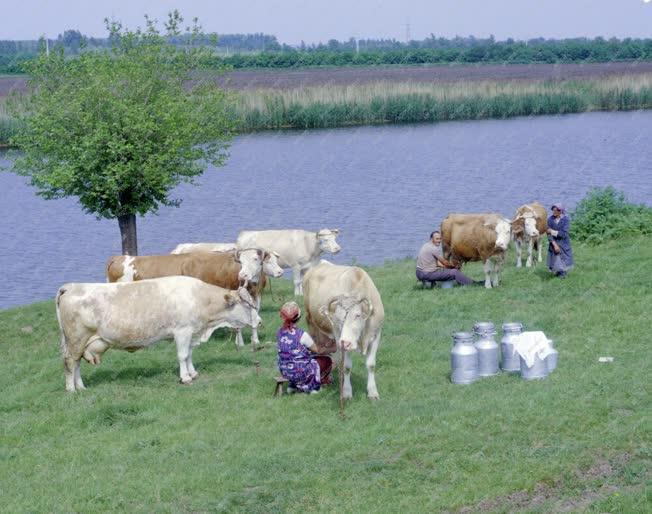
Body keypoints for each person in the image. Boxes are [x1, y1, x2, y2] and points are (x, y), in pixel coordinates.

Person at [277, 301, 335, 394]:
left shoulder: (279, 332)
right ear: (298, 318)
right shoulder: (302, 335)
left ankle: (292, 385)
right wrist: (332, 348)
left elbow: (291, 349)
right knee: (327, 360)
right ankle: (314, 386)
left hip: (284, 370)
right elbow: (318, 350)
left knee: (294, 359)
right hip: (301, 372)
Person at [546, 203, 574, 278]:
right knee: (555, 258)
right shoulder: (550, 219)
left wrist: (551, 231)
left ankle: (563, 273)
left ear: (560, 211)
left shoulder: (566, 220)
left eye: (556, 210)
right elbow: (548, 235)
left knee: (564, 259)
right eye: (553, 210)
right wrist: (554, 244)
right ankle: (558, 272)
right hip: (554, 242)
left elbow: (563, 234)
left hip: (564, 243)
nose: (554, 212)